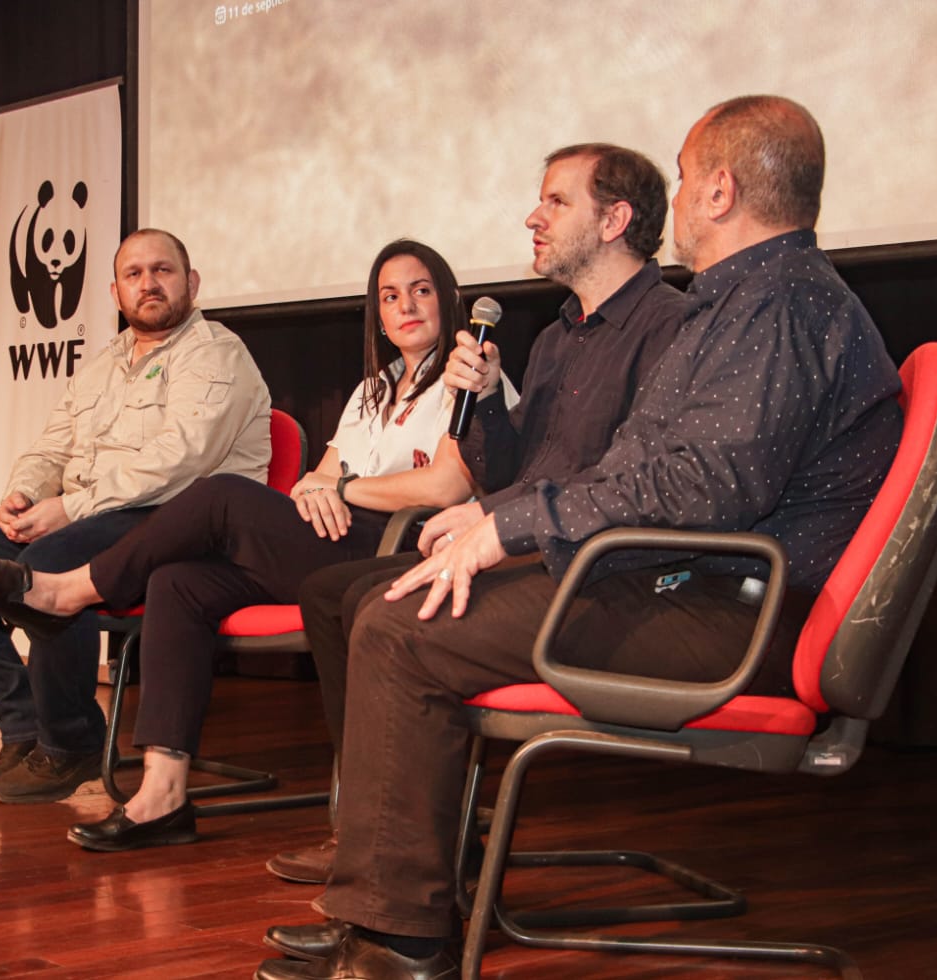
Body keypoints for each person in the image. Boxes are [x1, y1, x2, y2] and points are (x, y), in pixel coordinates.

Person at [255, 95, 904, 980]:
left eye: (682, 180)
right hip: (683, 579)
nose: (678, 199)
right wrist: (498, 514)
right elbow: (636, 471)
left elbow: (703, 489)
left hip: (726, 605)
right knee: (388, 606)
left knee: (402, 631)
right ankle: (396, 899)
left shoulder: (776, 308)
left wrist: (508, 524)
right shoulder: (743, 305)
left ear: (719, 191)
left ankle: (402, 941)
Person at [0, 239, 518, 849]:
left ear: (449, 299)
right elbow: (318, 475)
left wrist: (345, 485)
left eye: (420, 291)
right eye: (390, 296)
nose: (406, 306)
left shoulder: (474, 382)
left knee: (221, 495)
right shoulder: (375, 389)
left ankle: (73, 589)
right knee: (177, 583)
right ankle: (163, 794)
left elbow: (444, 484)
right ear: (378, 314)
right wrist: (324, 484)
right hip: (336, 538)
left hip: (404, 549)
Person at [267, 142, 686, 887]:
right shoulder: (559, 337)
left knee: (385, 613)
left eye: (555, 202)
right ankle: (392, 826)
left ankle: (395, 862)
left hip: (593, 566)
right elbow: (520, 466)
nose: (533, 216)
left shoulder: (668, 327)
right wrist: (487, 405)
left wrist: (495, 523)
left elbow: (631, 480)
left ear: (616, 219)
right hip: (532, 539)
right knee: (338, 594)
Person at [0, 228, 271, 804]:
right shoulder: (103, 364)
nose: (148, 284)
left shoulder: (218, 354)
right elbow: (52, 447)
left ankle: (71, 741)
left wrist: (68, 510)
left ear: (192, 282)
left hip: (175, 521)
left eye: (163, 270)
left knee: (52, 560)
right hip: (85, 511)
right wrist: (22, 495)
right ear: (116, 292)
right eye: (134, 274)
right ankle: (26, 724)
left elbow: (179, 463)